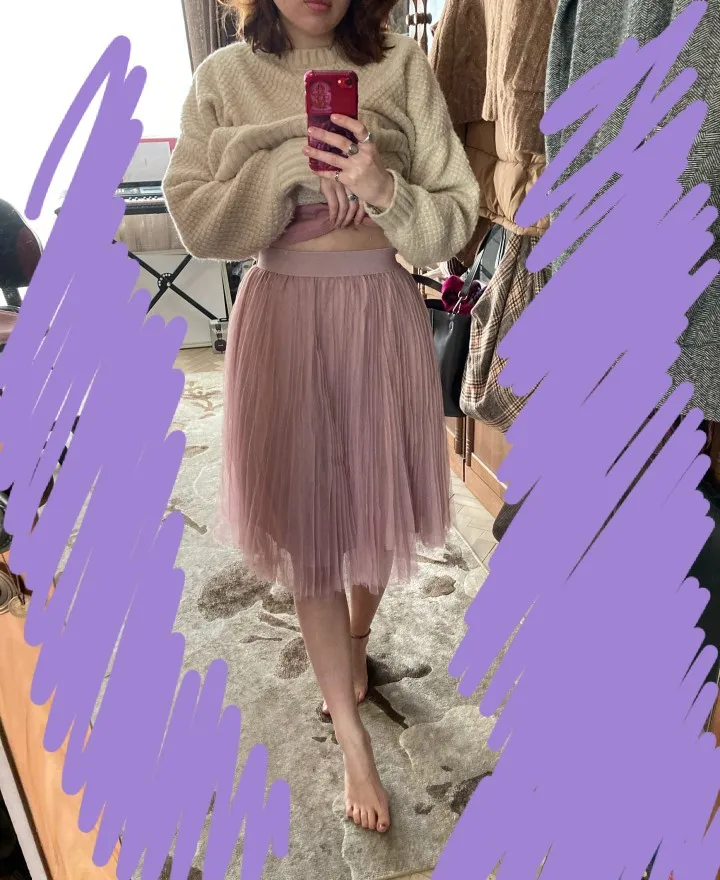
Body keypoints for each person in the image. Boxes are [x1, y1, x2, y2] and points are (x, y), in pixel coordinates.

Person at [163, 0, 480, 835]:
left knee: (375, 503)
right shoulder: (224, 78)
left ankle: (356, 639)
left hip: (381, 312)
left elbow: (456, 217)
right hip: (284, 318)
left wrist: (381, 187)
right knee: (309, 528)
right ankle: (351, 737)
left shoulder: (401, 65)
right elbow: (196, 220)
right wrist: (285, 172)